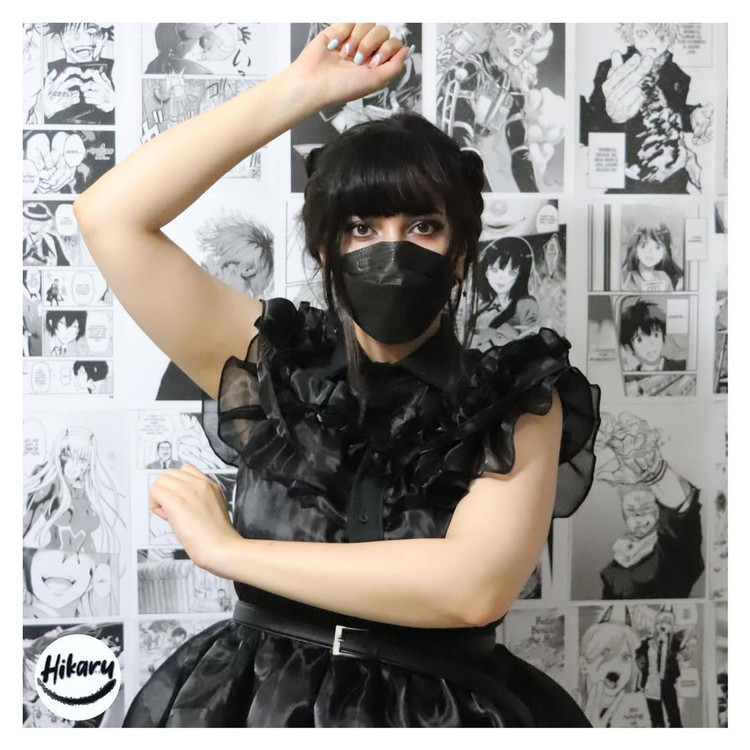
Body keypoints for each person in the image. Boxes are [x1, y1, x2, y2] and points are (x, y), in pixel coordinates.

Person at [74, 23, 600, 728]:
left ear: (460, 254)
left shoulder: (516, 401)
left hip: (439, 711)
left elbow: (470, 590)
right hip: (255, 705)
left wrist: (228, 551)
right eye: (362, 227)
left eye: (423, 227)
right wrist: (299, 92)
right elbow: (110, 216)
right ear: (326, 248)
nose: (392, 250)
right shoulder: (276, 364)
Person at [468, 235, 540, 349]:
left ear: (519, 277)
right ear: (486, 272)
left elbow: (531, 343)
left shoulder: (526, 304)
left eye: (511, 273)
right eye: (494, 270)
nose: (501, 278)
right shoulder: (485, 305)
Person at [618, 299, 686, 371]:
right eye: (639, 340)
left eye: (656, 335)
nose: (651, 344)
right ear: (628, 348)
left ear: (663, 336)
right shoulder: (630, 376)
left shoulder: (683, 367)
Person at [621, 221, 683, 291]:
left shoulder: (664, 277)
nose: (651, 252)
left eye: (657, 247)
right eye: (643, 246)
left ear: (664, 252)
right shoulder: (627, 278)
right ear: (635, 251)